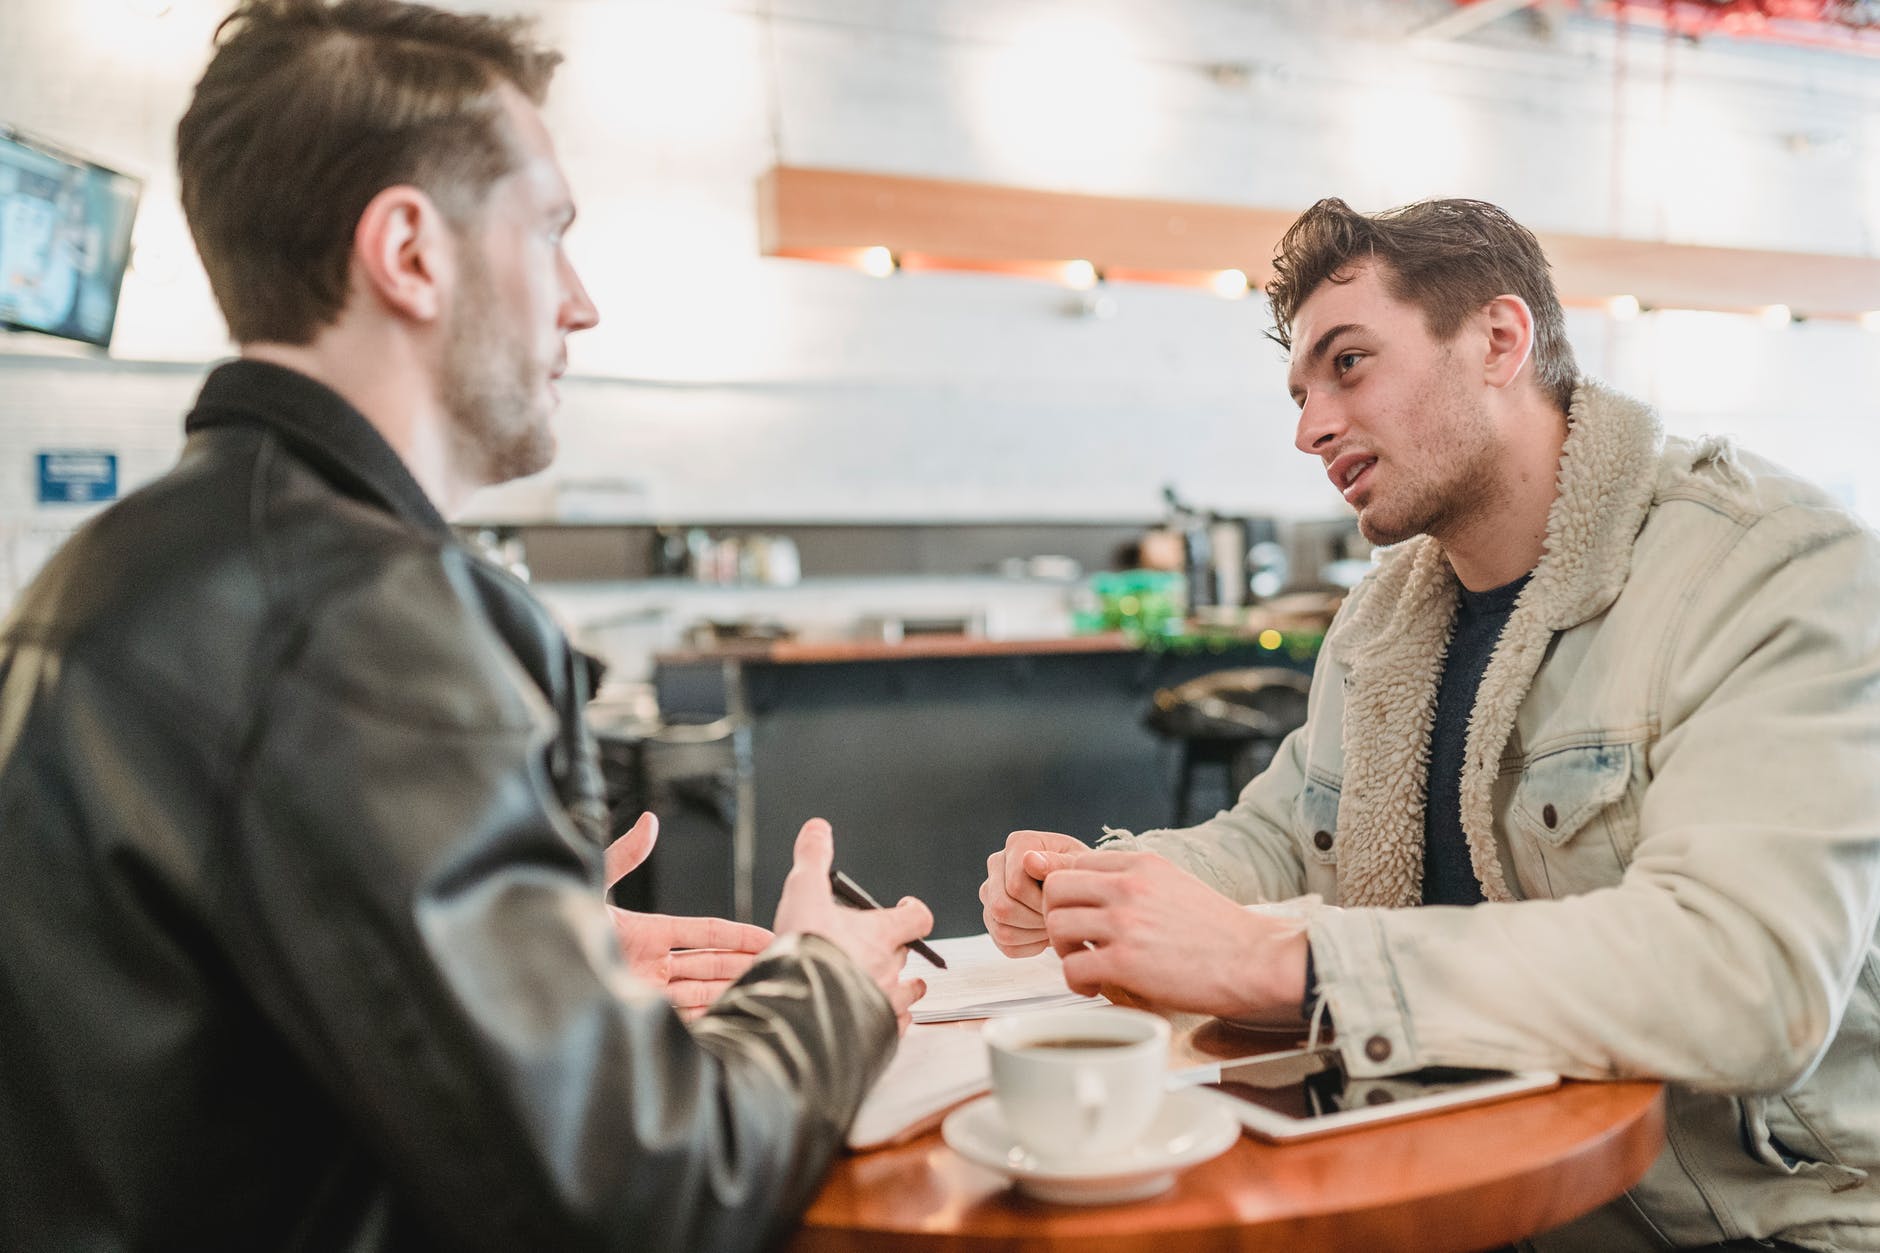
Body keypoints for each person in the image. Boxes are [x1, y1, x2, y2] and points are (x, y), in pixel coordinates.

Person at [0, 3, 933, 1251]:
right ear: (410, 251)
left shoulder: (109, 571)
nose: (581, 303)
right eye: (551, 231)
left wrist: (512, 964)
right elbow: (645, 1191)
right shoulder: (363, 616)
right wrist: (825, 980)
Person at [982, 197, 1880, 1250]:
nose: (1308, 427)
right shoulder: (1383, 615)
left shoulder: (1770, 567)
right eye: (1301, 388)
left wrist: (1294, 967)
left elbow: (1746, 976)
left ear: (1500, 339)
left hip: (1743, 1219)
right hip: (1469, 1168)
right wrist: (1107, 887)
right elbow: (1283, 835)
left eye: (1348, 362)